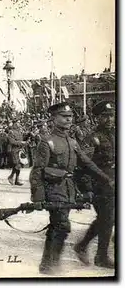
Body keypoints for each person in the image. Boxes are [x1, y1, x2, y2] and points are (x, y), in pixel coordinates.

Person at [29, 102, 113, 275]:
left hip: (68, 188)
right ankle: (50, 265)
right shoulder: (47, 142)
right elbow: (37, 171)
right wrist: (37, 197)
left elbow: (88, 163)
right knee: (61, 225)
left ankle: (49, 263)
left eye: (70, 117)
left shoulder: (72, 142)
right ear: (54, 119)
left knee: (59, 226)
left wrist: (106, 178)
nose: (69, 120)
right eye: (64, 117)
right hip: (53, 188)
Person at [73, 101, 115, 269]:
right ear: (96, 118)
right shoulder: (92, 138)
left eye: (111, 115)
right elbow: (83, 166)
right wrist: (88, 188)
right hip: (100, 185)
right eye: (105, 116)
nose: (109, 119)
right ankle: (101, 256)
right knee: (108, 218)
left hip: (113, 183)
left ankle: (82, 246)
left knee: (107, 219)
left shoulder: (114, 134)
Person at [7, 118, 25, 186]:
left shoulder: (19, 131)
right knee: (17, 164)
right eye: (18, 122)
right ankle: (11, 177)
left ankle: (16, 180)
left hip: (19, 150)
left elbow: (21, 139)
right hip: (14, 150)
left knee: (19, 165)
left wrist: (24, 143)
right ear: (14, 123)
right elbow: (11, 141)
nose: (19, 124)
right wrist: (21, 142)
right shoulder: (11, 132)